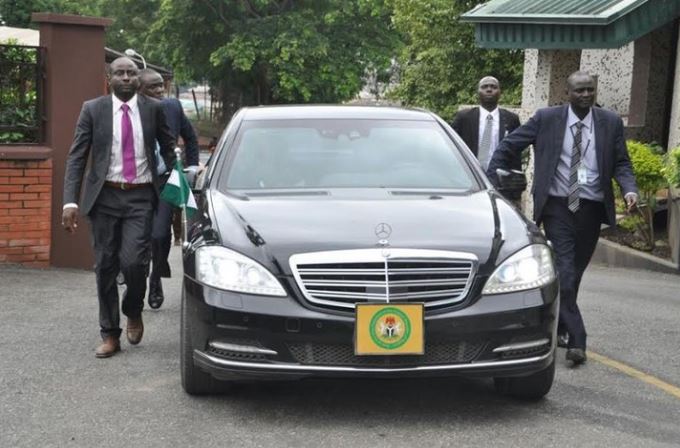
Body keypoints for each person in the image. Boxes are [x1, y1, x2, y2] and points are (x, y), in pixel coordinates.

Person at [487, 71, 639, 366]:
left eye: (589, 91)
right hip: (557, 205)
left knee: (574, 274)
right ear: (567, 93)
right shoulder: (547, 118)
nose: (585, 95)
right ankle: (578, 340)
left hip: (591, 207)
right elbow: (509, 145)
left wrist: (630, 190)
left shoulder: (609, 122)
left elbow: (622, 162)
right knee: (566, 270)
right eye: (579, 91)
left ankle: (560, 327)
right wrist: (493, 179)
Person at [62, 57, 176, 358]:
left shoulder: (154, 110)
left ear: (138, 78)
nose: (126, 78)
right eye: (120, 73)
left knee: (135, 263)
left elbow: (168, 148)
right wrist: (70, 201)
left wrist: (169, 184)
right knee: (105, 267)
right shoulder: (93, 109)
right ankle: (110, 333)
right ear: (109, 78)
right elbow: (76, 157)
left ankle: (133, 308)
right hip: (104, 198)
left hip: (140, 196)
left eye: (131, 73)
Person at [138, 68, 200, 309]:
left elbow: (191, 137)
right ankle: (137, 270)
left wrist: (192, 167)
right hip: (139, 182)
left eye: (161, 86)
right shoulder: (132, 111)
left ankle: (155, 279)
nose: (159, 91)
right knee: (138, 235)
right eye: (153, 87)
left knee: (160, 234)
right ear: (139, 91)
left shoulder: (172, 106)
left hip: (166, 179)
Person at [451, 76, 521, 171]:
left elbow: (517, 151)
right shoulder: (464, 118)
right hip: (471, 174)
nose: (489, 90)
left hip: (500, 176)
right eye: (484, 87)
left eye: (493, 87)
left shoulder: (511, 119)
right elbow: (452, 146)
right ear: (478, 92)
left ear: (500, 92)